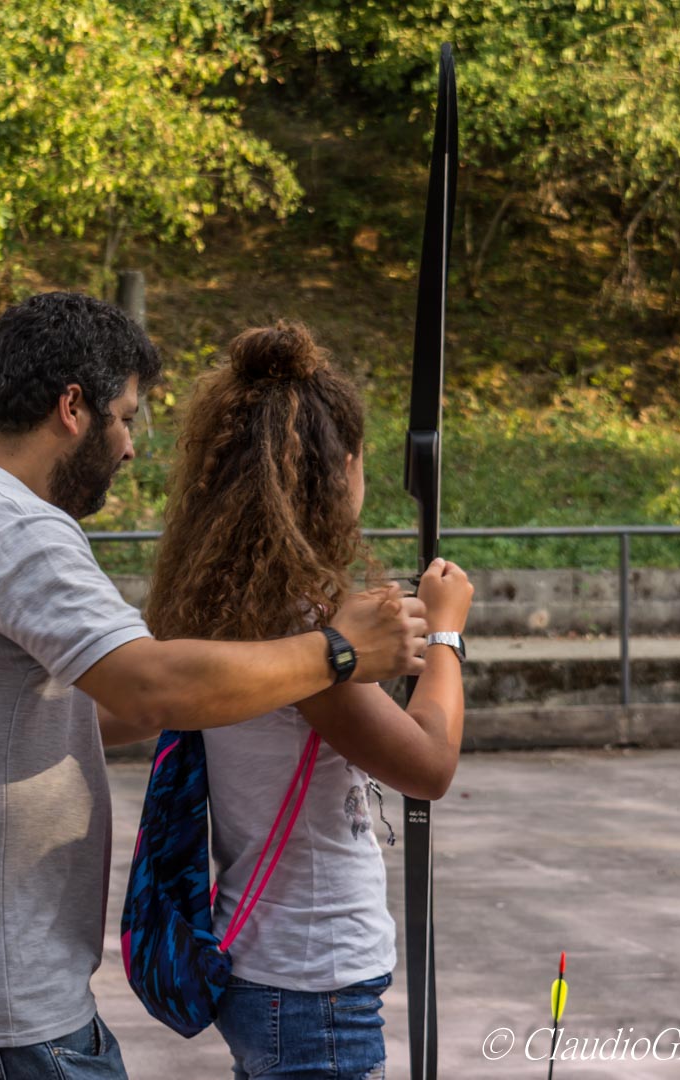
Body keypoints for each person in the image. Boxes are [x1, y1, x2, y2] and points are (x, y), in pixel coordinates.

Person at [0, 293, 431, 1080]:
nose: (128, 447)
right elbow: (149, 687)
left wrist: (244, 674)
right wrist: (338, 650)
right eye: (125, 416)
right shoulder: (11, 525)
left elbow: (85, 708)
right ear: (72, 408)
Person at [142, 320, 475, 1080]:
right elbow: (427, 765)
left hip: (262, 961)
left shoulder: (221, 607)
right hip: (313, 977)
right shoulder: (305, 633)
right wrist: (448, 634)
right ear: (344, 469)